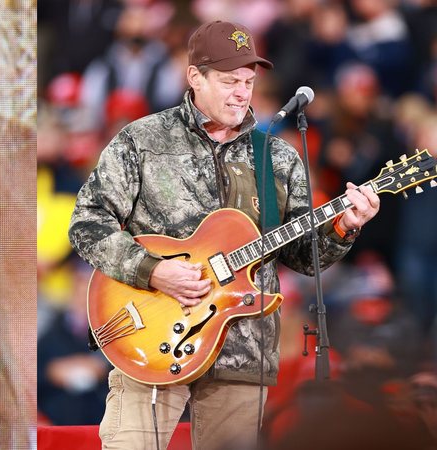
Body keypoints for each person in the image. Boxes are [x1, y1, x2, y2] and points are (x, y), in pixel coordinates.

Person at [68, 20, 380, 450]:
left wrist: (345, 225)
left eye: (249, 82)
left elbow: (305, 260)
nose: (242, 92)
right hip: (150, 340)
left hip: (243, 353)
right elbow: (87, 222)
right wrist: (153, 272)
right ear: (195, 76)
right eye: (230, 80)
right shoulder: (142, 140)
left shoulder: (277, 157)